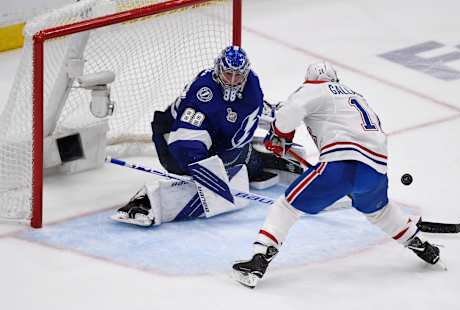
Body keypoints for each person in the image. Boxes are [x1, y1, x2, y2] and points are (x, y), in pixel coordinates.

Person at [231, 60, 441, 288]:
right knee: (380, 212)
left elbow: (286, 117)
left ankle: (259, 258)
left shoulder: (313, 88)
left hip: (341, 165)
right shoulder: (355, 95)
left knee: (287, 206)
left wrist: (280, 135)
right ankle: (421, 244)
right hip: (376, 170)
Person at [112, 45, 301, 227]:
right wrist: (205, 171)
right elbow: (185, 139)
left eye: (238, 75)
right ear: (218, 70)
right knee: (193, 163)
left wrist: (278, 126)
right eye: (228, 74)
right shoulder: (204, 91)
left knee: (241, 159)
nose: (233, 80)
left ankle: (252, 161)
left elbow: (251, 113)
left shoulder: (251, 85)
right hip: (173, 141)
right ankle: (151, 201)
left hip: (214, 137)